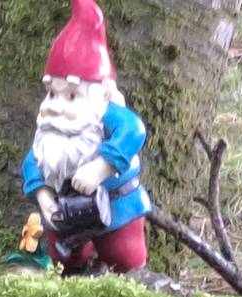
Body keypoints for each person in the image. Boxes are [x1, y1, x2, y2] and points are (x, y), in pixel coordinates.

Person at [20, 0, 153, 273]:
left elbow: (134, 131)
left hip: (116, 206)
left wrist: (100, 168)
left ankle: (131, 287)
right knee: (65, 259)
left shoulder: (106, 115)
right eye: (52, 94)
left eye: (70, 95)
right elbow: (33, 161)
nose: (55, 105)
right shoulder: (49, 132)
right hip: (65, 211)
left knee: (124, 255)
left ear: (101, 94)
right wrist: (44, 198)